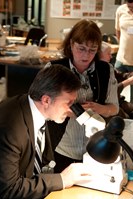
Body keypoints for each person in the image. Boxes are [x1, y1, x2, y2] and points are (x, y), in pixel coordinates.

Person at [0, 64, 93, 199]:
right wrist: (62, 179)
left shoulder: (34, 109)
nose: (72, 110)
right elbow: (10, 190)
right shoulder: (7, 129)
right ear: (46, 100)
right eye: (69, 103)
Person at [46, 19, 119, 173]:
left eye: (93, 50)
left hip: (96, 147)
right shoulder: (54, 69)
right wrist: (70, 113)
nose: (86, 55)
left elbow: (114, 108)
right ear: (71, 44)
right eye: (81, 48)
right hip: (62, 147)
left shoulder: (106, 70)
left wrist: (99, 108)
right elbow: (43, 107)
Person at [101, 42, 133, 119]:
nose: (111, 57)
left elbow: (121, 75)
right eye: (108, 54)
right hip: (107, 103)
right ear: (100, 55)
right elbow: (111, 91)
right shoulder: (96, 71)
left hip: (118, 100)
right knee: (125, 118)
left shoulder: (109, 67)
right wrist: (127, 82)